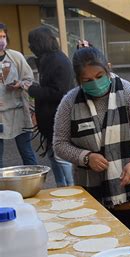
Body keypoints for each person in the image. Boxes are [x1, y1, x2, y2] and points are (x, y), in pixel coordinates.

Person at [53, 47, 130, 236]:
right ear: (78, 81)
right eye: (87, 80)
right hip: (89, 186)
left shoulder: (128, 92)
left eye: (100, 75)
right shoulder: (70, 102)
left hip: (127, 185)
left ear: (108, 69)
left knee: (129, 238)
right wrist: (85, 157)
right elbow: (59, 143)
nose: (95, 83)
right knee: (94, 239)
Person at [27, 26, 75, 187]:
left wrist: (32, 89)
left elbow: (59, 92)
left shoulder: (56, 61)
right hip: (49, 121)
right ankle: (63, 188)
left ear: (39, 43)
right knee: (55, 158)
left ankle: (73, 189)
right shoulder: (50, 59)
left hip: (58, 118)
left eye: (31, 43)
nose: (29, 46)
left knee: (62, 159)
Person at [0, 23, 37, 168]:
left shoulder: (16, 57)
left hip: (18, 111)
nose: (1, 40)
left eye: (3, 36)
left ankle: (34, 183)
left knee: (27, 152)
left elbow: (29, 80)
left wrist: (20, 84)